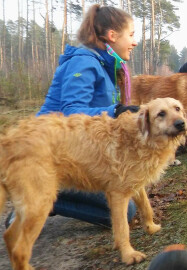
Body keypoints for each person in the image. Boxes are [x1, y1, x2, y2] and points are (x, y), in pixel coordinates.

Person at [5, 4, 140, 229]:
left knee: (124, 196)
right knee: (124, 211)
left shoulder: (104, 65)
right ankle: (40, 202)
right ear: (112, 35)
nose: (135, 42)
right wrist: (116, 111)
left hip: (74, 154)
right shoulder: (84, 61)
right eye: (132, 35)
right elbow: (70, 112)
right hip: (45, 155)